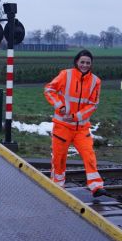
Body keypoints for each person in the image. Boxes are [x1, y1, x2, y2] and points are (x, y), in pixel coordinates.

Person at [43, 49, 106, 197]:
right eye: (82, 62)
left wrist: (76, 116)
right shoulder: (66, 74)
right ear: (77, 62)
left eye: (88, 63)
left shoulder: (96, 81)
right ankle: (58, 187)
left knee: (89, 155)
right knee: (59, 158)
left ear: (91, 64)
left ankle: (96, 186)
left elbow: (93, 104)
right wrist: (60, 106)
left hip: (81, 127)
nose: (85, 65)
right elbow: (49, 89)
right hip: (62, 126)